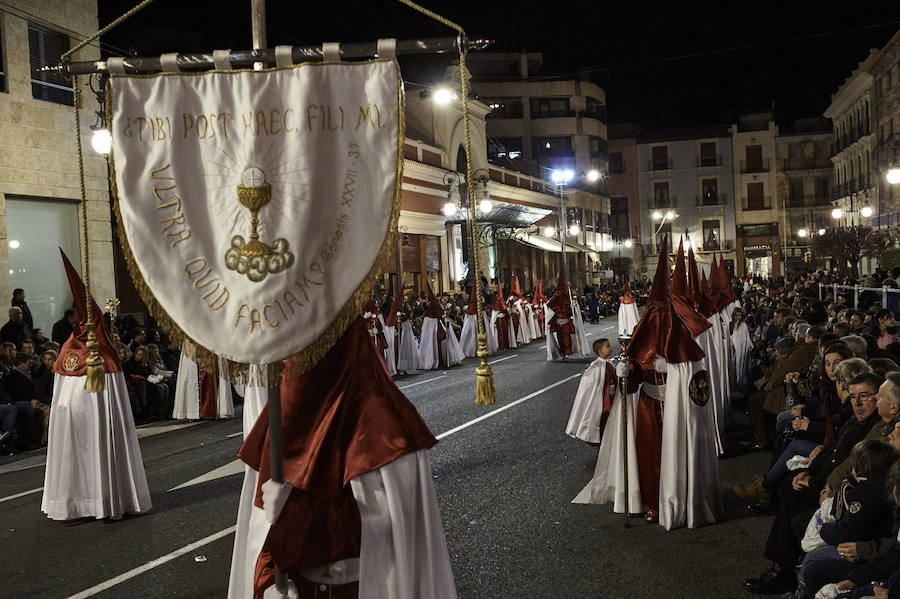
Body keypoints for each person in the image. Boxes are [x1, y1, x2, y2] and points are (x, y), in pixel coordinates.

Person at [234, 318, 456, 597]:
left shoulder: (390, 437)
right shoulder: (278, 432)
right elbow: (258, 545)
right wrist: (268, 585)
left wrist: (299, 512)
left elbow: (401, 548)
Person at [41, 250, 150, 521]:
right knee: (96, 452)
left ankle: (76, 503)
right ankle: (104, 499)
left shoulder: (72, 350)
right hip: (89, 418)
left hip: (71, 417)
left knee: (76, 457)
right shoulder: (101, 352)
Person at [565, 338, 618, 444]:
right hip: (603, 403)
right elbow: (589, 386)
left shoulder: (609, 364)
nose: (611, 347)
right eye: (607, 346)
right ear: (600, 351)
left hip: (612, 399)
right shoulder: (595, 368)